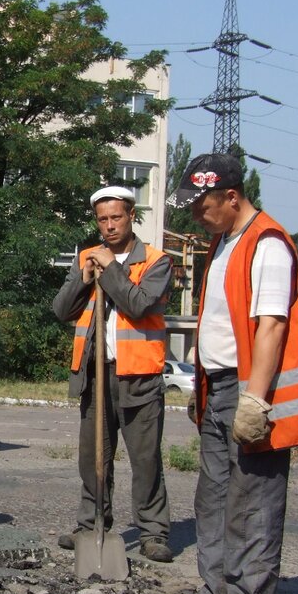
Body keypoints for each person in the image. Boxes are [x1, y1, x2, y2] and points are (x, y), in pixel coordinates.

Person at [160, 153, 298, 594]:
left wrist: (255, 401)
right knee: (212, 499)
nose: (195, 215)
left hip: (252, 391)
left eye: (202, 205)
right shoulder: (224, 242)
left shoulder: (268, 244)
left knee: (253, 502)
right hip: (218, 387)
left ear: (232, 197)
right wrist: (203, 389)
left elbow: (271, 327)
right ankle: (215, 593)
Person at [51, 185, 174, 563]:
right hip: (95, 373)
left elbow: (138, 306)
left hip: (139, 376)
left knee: (145, 458)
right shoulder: (88, 257)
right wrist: (85, 277)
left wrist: (112, 270)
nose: (109, 225)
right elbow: (61, 310)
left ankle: (153, 531)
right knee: (93, 457)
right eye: (102, 219)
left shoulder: (157, 261)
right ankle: (91, 525)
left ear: (131, 217)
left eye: (116, 217)